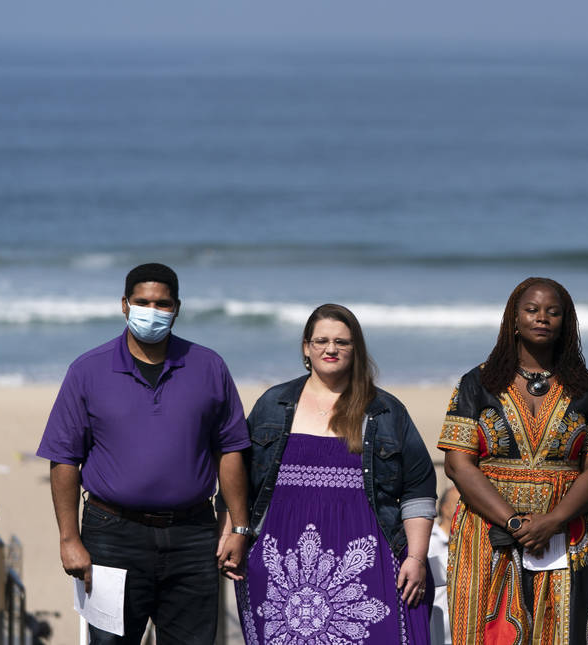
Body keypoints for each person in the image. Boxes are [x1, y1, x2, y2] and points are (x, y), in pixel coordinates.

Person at [37, 263, 251, 644]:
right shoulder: (87, 370)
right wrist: (68, 539)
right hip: (111, 536)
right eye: (143, 302)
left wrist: (237, 526)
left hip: (193, 534)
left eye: (162, 304)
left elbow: (231, 448)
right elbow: (65, 458)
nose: (152, 311)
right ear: (124, 304)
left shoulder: (209, 366)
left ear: (177, 308)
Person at [438, 277, 588, 645]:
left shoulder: (587, 388)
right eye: (531, 310)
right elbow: (458, 466)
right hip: (488, 534)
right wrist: (513, 521)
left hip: (572, 531)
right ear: (514, 320)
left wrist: (553, 520)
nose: (542, 317)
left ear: (566, 322)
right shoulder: (476, 383)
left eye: (553, 312)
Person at [238, 303, 437, 644]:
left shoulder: (386, 411)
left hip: (370, 565)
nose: (331, 349)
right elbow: (239, 481)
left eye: (342, 342)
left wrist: (417, 557)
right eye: (322, 341)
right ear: (306, 347)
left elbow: (419, 487)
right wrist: (236, 535)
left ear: (356, 349)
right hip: (279, 568)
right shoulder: (273, 404)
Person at [428, 485, 460, 642]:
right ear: (446, 508)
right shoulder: (428, 541)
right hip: (436, 632)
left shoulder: (469, 544)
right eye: (459, 504)